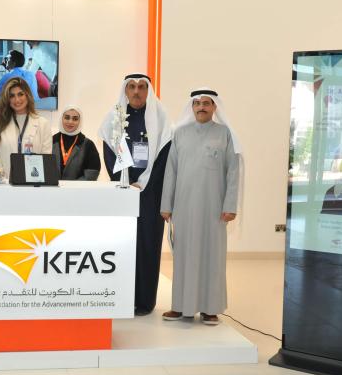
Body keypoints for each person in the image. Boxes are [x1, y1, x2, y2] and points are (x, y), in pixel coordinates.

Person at [160, 88, 242, 326]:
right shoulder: (180, 134)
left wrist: (230, 205)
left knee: (212, 257)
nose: (201, 107)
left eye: (206, 103)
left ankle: (210, 309)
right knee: (183, 257)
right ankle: (180, 306)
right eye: (197, 103)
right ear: (192, 107)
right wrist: (166, 204)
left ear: (214, 107)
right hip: (184, 207)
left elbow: (233, 172)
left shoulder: (225, 134)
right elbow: (171, 171)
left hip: (213, 209)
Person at [99, 74, 172, 315]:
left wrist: (145, 182)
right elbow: (110, 153)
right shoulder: (115, 117)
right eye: (132, 87)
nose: (137, 91)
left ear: (148, 90)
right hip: (124, 192)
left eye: (141, 87)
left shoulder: (161, 118)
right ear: (125, 90)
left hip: (150, 195)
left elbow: (164, 156)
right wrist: (127, 181)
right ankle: (122, 298)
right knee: (124, 246)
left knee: (148, 245)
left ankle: (144, 302)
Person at [0, 77, 52, 178]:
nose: (17, 100)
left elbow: (46, 158)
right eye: (12, 96)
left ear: (27, 95)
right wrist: (2, 180)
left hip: (34, 183)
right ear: (7, 99)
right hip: (5, 184)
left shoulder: (43, 124)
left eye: (20, 94)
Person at [52, 105, 101, 180]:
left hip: (79, 187)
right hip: (52, 187)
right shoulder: (51, 141)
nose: (70, 122)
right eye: (67, 117)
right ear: (61, 119)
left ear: (80, 121)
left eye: (75, 119)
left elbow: (92, 173)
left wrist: (73, 185)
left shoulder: (88, 145)